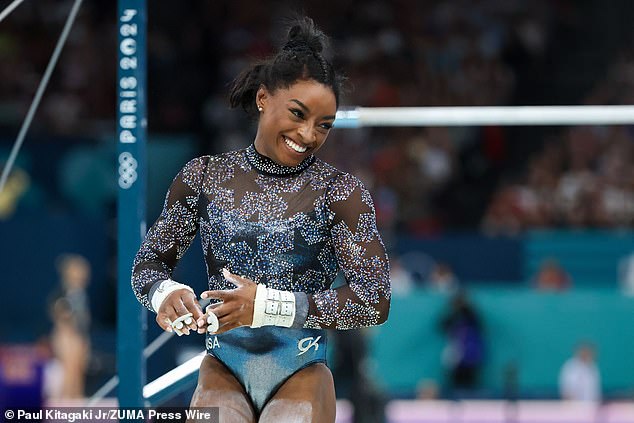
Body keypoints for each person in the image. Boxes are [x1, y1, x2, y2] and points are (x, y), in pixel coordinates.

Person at [132, 17, 391, 422]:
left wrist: (270, 306)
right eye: (298, 114)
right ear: (263, 99)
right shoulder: (204, 177)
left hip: (301, 369)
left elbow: (374, 301)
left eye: (324, 125)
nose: (308, 135)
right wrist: (164, 293)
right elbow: (147, 264)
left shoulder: (340, 192)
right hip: (223, 367)